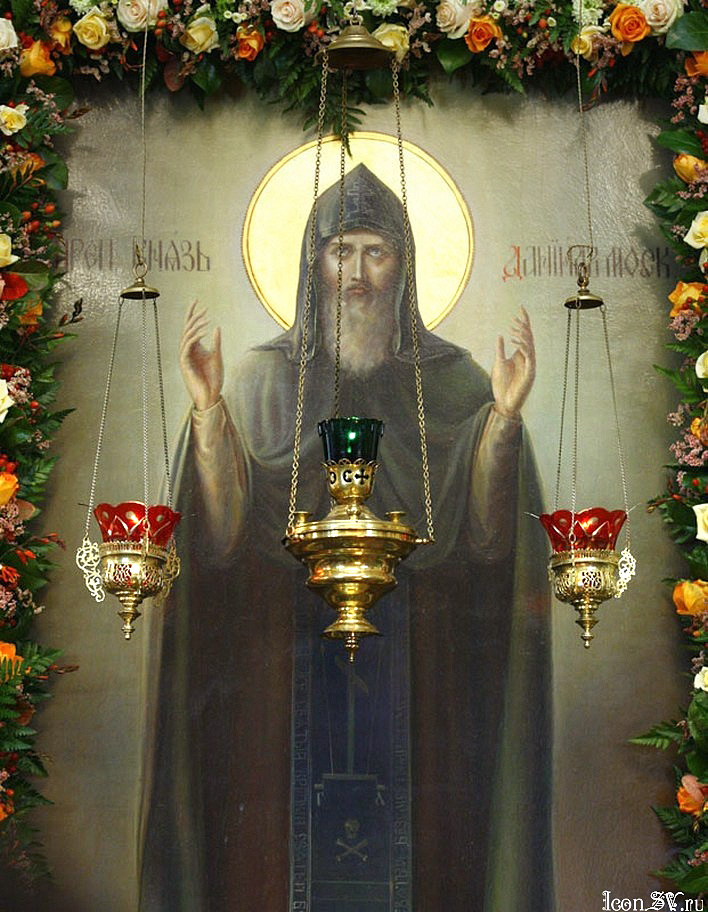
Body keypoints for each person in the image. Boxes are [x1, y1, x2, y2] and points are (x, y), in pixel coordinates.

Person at [139, 164, 553, 912]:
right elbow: (222, 542)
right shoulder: (263, 378)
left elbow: (490, 544)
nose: (357, 275)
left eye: (375, 252)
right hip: (282, 672)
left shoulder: (453, 380)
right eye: (341, 252)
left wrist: (501, 420)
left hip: (421, 667)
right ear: (313, 264)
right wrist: (208, 415)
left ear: (404, 266)